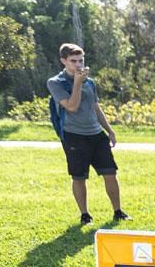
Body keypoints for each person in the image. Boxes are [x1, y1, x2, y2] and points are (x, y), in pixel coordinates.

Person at [47, 43, 127, 225]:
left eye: (81, 60)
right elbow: (72, 106)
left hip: (96, 133)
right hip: (74, 135)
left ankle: (118, 211)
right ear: (63, 61)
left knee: (110, 173)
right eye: (73, 61)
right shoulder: (55, 83)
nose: (78, 65)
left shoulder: (90, 82)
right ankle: (85, 214)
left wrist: (109, 130)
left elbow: (95, 106)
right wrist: (76, 83)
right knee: (79, 176)